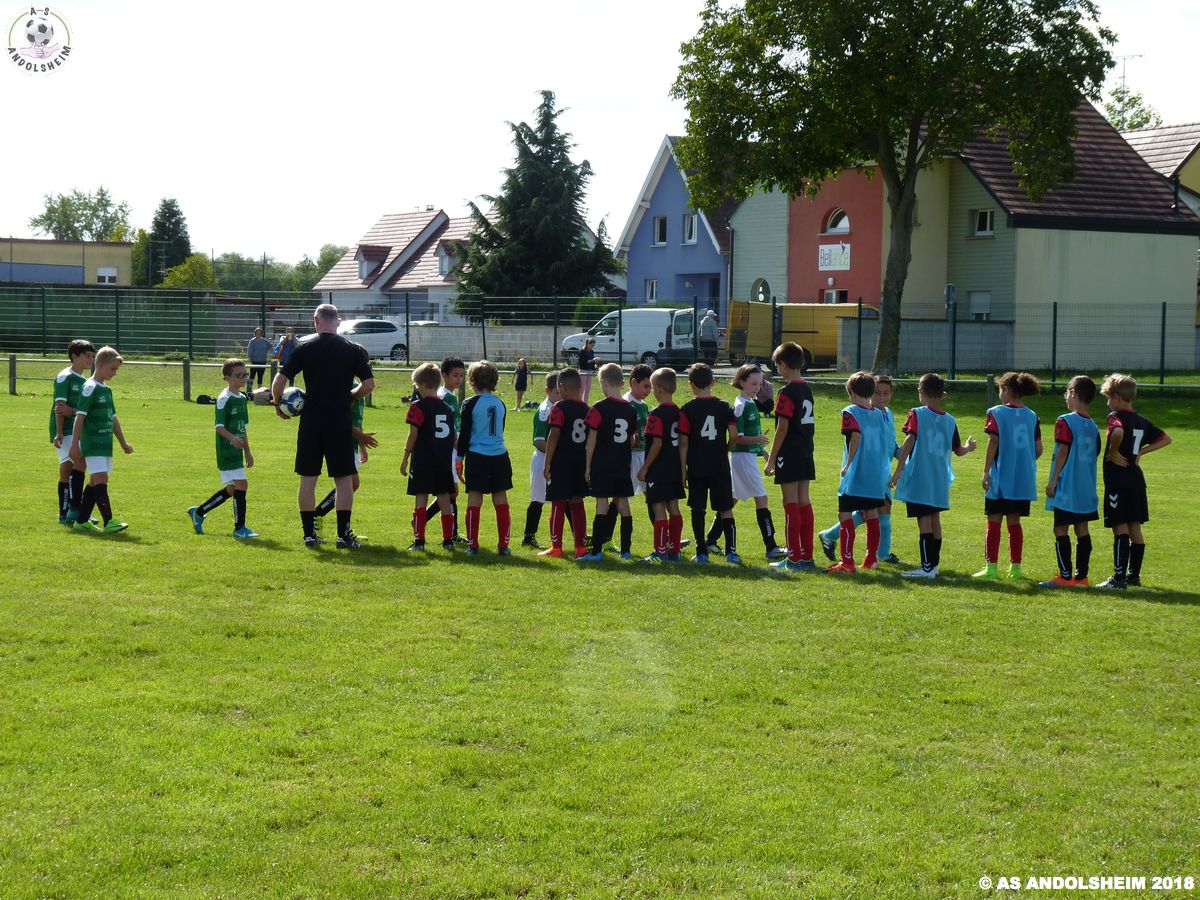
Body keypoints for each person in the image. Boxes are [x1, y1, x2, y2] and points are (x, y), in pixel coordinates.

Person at [271, 304, 374, 549]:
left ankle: (309, 535)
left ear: (315, 320)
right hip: (339, 420)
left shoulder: (304, 347)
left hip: (311, 420)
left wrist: (277, 404)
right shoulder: (352, 349)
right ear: (337, 321)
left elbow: (280, 379)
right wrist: (352, 395)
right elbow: (369, 384)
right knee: (344, 480)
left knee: (308, 478)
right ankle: (342, 536)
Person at [890, 373, 977, 578]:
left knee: (924, 520)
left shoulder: (916, 414)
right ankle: (934, 566)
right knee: (935, 518)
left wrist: (898, 470)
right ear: (942, 395)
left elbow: (910, 441)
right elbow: (959, 451)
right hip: (940, 478)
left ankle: (927, 568)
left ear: (921, 392)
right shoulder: (950, 421)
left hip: (920, 475)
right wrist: (969, 447)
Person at [1097, 373, 1172, 589]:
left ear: (1117, 397)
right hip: (1137, 481)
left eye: (1108, 398)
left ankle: (1118, 579)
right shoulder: (1142, 421)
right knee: (1135, 526)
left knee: (1120, 525)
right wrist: (1142, 451)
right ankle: (1133, 576)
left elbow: (1118, 431)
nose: (1108, 403)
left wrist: (1112, 452)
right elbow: (1166, 439)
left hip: (1118, 481)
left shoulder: (1114, 417)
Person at [704, 364, 786, 560]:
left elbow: (748, 438)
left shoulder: (749, 402)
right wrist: (758, 440)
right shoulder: (741, 405)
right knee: (762, 499)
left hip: (744, 458)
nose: (758, 387)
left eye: (760, 384)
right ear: (741, 382)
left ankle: (711, 540)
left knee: (731, 500)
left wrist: (763, 451)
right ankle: (771, 546)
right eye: (754, 383)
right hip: (742, 460)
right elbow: (737, 438)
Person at [819, 375, 902, 564]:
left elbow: (863, 438)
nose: (881, 397)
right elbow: (876, 442)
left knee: (856, 512)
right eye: (877, 393)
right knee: (872, 513)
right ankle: (873, 557)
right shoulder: (875, 414)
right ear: (871, 393)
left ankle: (849, 558)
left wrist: (848, 464)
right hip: (872, 473)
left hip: (867, 472)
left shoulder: (862, 412)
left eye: (886, 393)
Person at [975, 371, 1042, 580]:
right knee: (1015, 522)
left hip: (1000, 477)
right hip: (1023, 480)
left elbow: (994, 441)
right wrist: (1023, 462)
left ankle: (991, 568)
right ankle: (1016, 569)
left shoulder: (996, 412)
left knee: (994, 520)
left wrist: (986, 471)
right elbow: (1038, 449)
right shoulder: (1032, 416)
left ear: (1005, 390)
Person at [1039, 376, 1101, 588]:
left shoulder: (1065, 420)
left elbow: (1063, 451)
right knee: (1082, 528)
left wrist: (1053, 480)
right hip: (1086, 486)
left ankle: (1065, 577)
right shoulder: (1093, 426)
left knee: (1060, 529)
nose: (1066, 397)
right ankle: (1081, 577)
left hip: (1067, 485)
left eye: (1067, 392)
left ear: (1073, 393)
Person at [187, 358, 258, 538]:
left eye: (245, 374)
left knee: (233, 489)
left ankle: (199, 512)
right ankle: (239, 529)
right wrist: (232, 438)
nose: (243, 378)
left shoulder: (242, 399)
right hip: (226, 452)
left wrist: (248, 452)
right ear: (227, 377)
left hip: (237, 452)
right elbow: (219, 427)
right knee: (242, 485)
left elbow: (243, 428)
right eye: (238, 375)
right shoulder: (224, 399)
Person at [679, 362, 739, 564]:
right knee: (726, 508)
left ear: (691, 385)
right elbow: (734, 435)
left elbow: (683, 442)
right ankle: (731, 552)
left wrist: (683, 469)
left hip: (697, 465)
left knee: (698, 508)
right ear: (712, 382)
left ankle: (701, 551)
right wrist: (725, 449)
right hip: (719, 465)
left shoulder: (687, 409)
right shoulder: (724, 406)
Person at [314, 345, 379, 531]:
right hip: (342, 440)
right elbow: (339, 420)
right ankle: (322, 518)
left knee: (352, 484)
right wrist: (360, 437)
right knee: (349, 485)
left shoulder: (357, 386)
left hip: (352, 442)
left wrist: (361, 444)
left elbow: (356, 419)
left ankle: (320, 515)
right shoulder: (345, 387)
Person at [69, 346, 133, 533]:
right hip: (92, 443)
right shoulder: (90, 387)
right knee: (101, 478)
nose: (115, 373)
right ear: (101, 365)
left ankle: (81, 521)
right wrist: (74, 445)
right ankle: (109, 521)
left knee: (94, 481)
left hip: (105, 444)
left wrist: (123, 442)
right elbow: (79, 417)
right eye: (113, 369)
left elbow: (113, 419)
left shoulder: (107, 390)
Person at [765, 342, 817, 572]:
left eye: (777, 365)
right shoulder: (806, 389)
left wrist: (771, 459)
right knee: (804, 501)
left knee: (790, 503)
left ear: (784, 365)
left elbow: (782, 428)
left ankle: (793, 558)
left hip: (790, 453)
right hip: (806, 452)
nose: (777, 369)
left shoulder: (786, 392)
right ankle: (807, 556)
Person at [581, 363, 638, 560]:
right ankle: (626, 551)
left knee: (602, 504)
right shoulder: (631, 410)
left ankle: (596, 551)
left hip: (602, 464)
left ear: (604, 383)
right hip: (622, 464)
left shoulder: (598, 408)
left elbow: (591, 439)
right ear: (622, 384)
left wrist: (588, 466)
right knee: (623, 504)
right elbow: (632, 439)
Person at [456, 360, 513, 555]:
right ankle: (504, 545)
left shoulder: (469, 403)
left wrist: (459, 459)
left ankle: (472, 546)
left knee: (474, 498)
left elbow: (464, 434)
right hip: (500, 456)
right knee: (501, 498)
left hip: (477, 456)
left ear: (472, 381)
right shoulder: (500, 403)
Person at [402, 362, 457, 551]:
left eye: (417, 385)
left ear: (423, 385)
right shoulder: (447, 408)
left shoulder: (417, 407)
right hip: (443, 461)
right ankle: (448, 541)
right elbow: (453, 436)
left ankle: (419, 542)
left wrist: (405, 456)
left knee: (421, 498)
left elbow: (413, 434)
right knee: (444, 498)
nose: (416, 389)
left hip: (423, 460)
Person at [541, 367, 590, 558]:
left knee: (558, 502)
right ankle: (580, 547)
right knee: (577, 502)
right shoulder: (587, 409)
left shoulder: (558, 407)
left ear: (562, 387)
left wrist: (547, 463)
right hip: (580, 460)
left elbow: (554, 435)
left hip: (561, 461)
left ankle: (556, 547)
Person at [639, 367, 686, 562]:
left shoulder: (655, 414)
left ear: (658, 389)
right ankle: (674, 550)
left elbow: (657, 444)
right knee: (673, 506)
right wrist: (683, 469)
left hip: (658, 468)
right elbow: (683, 442)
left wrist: (645, 467)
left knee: (658, 507)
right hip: (674, 466)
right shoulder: (680, 413)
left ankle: (660, 551)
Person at [51, 339, 95, 525]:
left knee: (68, 467)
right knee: (79, 461)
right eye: (87, 356)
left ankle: (65, 513)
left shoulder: (84, 381)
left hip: (75, 428)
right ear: (74, 356)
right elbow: (60, 408)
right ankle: (76, 511)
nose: (91, 359)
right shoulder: (65, 377)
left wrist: (74, 411)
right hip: (65, 430)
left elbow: (77, 411)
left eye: (92, 356)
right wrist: (59, 432)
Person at [425, 357, 466, 542]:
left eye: (462, 376)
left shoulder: (450, 395)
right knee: (451, 491)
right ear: (444, 375)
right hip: (447, 449)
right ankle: (449, 532)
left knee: (451, 492)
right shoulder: (444, 397)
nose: (459, 379)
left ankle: (453, 533)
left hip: (451, 449)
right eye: (455, 375)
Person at [522, 370, 560, 549]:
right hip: (543, 460)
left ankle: (579, 536)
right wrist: (554, 456)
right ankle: (528, 536)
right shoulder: (545, 411)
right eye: (557, 392)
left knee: (563, 498)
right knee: (538, 498)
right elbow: (539, 441)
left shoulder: (558, 408)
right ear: (548, 391)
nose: (561, 396)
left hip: (554, 459)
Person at [578, 338, 598, 403]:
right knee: (581, 389)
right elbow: (581, 363)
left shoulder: (591, 351)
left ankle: (585, 404)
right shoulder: (582, 351)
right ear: (588, 344)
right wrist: (592, 360)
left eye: (593, 346)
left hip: (589, 371)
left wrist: (595, 363)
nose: (592, 347)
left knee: (587, 389)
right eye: (591, 345)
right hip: (583, 371)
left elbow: (592, 362)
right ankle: (579, 403)